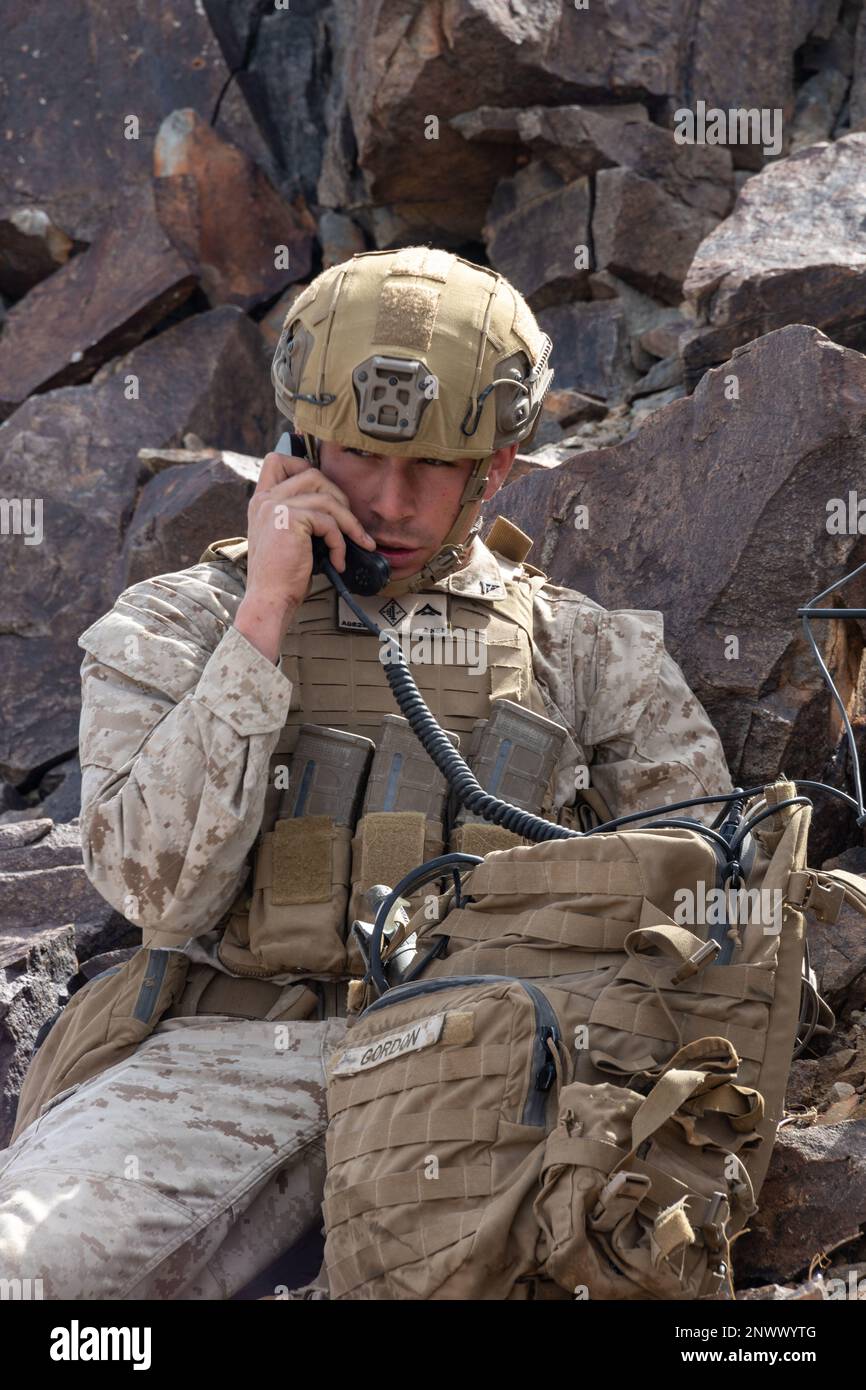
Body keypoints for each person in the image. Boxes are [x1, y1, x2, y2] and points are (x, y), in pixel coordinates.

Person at [0, 246, 732, 1299]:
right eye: (356, 455)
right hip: (226, 1057)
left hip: (490, 1069)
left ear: (497, 464)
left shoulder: (588, 652)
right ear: (297, 445)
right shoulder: (181, 623)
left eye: (430, 465)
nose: (389, 500)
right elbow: (156, 889)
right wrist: (264, 615)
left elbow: (704, 902)